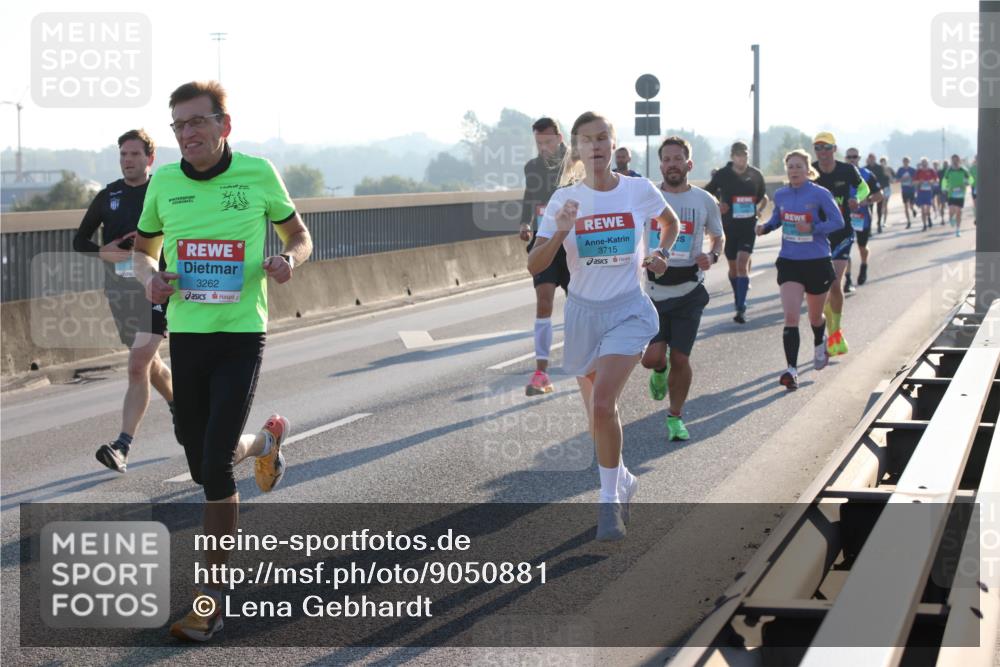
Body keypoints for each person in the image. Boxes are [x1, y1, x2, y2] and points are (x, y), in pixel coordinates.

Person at [133, 81, 313, 642]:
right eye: (178, 125)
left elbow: (299, 234)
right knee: (200, 455)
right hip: (187, 334)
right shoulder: (163, 182)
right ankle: (263, 444)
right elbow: (143, 249)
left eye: (197, 123)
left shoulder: (258, 173)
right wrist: (150, 280)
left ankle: (208, 604)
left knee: (212, 466)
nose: (188, 134)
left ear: (223, 126)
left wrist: (288, 260)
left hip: (240, 334)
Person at [527, 111, 679, 542]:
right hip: (583, 314)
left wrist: (661, 253)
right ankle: (624, 478)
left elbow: (670, 224)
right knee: (597, 413)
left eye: (602, 138)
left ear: (613, 144)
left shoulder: (637, 190)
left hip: (628, 309)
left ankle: (609, 501)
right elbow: (534, 263)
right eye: (586, 140)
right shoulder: (563, 200)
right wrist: (559, 232)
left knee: (602, 404)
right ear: (576, 148)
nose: (594, 146)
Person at [73, 129, 174, 473]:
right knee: (148, 362)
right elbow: (79, 241)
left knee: (136, 365)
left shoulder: (163, 191)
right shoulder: (108, 195)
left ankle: (122, 446)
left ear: (150, 158)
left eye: (134, 154)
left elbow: (180, 232)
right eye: (123, 154)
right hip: (121, 292)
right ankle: (182, 408)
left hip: (156, 289)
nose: (128, 160)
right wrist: (105, 252)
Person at [641, 137, 723, 441]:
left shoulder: (703, 200)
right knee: (651, 358)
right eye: (666, 159)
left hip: (689, 290)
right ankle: (658, 371)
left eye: (677, 159)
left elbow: (718, 237)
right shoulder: (648, 198)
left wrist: (712, 255)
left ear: (688, 164)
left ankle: (675, 417)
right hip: (652, 293)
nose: (672, 164)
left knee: (681, 358)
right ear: (660, 165)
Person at [756, 150, 844, 391]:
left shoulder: (820, 194)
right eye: (790, 166)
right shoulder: (782, 194)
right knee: (791, 317)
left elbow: (838, 222)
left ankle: (819, 340)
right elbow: (777, 219)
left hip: (817, 261)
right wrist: (765, 227)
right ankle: (791, 370)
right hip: (790, 261)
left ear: (808, 170)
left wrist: (813, 227)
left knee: (815, 317)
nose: (794, 170)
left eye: (798, 166)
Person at [520, 117, 568, 396]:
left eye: (548, 141)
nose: (544, 147)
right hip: (544, 242)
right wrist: (525, 223)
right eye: (539, 143)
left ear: (559, 138)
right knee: (544, 301)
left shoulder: (574, 164)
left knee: (580, 306)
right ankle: (541, 373)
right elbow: (530, 196)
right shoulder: (532, 167)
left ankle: (591, 361)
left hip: (574, 244)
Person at [811, 132, 868, 357]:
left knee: (835, 282)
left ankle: (835, 331)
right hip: (818, 237)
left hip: (842, 233)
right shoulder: (811, 172)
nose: (823, 152)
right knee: (824, 287)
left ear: (835, 149)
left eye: (827, 148)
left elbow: (863, 188)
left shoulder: (847, 170)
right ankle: (827, 329)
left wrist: (858, 199)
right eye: (818, 148)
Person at [703, 140, 768, 323]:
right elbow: (708, 194)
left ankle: (741, 307)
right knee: (733, 268)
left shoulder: (756, 174)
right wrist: (719, 204)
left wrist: (758, 209)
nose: (742, 158)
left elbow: (762, 196)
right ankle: (738, 293)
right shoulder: (723, 174)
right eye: (739, 155)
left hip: (748, 226)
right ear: (733, 157)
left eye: (745, 154)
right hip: (728, 227)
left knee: (742, 263)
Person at [845, 149, 883, 285]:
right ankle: (848, 279)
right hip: (845, 216)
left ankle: (864, 266)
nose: (852, 159)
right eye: (849, 157)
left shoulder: (867, 175)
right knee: (845, 248)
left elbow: (880, 195)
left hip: (862, 217)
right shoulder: (840, 174)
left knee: (862, 247)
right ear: (845, 158)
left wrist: (867, 201)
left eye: (854, 157)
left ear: (859, 158)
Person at [941, 154, 973, 237]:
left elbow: (971, 180)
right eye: (953, 160)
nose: (955, 161)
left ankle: (958, 230)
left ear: (959, 160)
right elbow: (944, 180)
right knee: (952, 211)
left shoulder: (963, 170)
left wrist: (967, 183)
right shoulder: (949, 170)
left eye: (956, 160)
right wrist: (944, 188)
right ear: (951, 161)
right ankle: (951, 218)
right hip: (951, 194)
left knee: (959, 212)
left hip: (960, 194)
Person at [914, 158, 939, 231]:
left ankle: (929, 217)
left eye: (925, 163)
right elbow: (914, 182)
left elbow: (937, 179)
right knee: (922, 210)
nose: (924, 164)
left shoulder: (931, 171)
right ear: (921, 164)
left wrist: (932, 182)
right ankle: (924, 225)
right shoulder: (918, 171)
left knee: (927, 210)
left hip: (929, 192)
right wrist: (919, 182)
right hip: (921, 193)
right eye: (923, 163)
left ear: (927, 163)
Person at [866, 153, 889, 233]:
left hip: (878, 191)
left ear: (875, 159)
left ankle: (879, 224)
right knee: (869, 210)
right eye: (870, 158)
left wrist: (882, 187)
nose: (871, 160)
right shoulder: (866, 169)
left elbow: (885, 178)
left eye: (873, 158)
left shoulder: (880, 168)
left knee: (879, 209)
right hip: (868, 193)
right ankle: (869, 228)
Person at [896, 157, 918, 228]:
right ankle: (908, 221)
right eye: (904, 161)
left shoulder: (912, 170)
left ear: (909, 162)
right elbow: (897, 180)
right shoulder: (900, 170)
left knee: (911, 206)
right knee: (905, 207)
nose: (905, 162)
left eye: (907, 161)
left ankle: (913, 210)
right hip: (904, 190)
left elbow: (916, 179)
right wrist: (902, 179)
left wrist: (913, 182)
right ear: (903, 162)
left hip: (911, 190)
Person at [878, 156, 894, 229]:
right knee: (882, 205)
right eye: (881, 161)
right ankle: (880, 221)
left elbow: (892, 181)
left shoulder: (889, 169)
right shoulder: (878, 169)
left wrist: (889, 175)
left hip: (887, 188)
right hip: (880, 189)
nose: (883, 162)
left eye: (884, 161)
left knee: (885, 205)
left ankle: (884, 221)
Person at [932, 160, 947, 224]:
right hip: (932, 188)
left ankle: (942, 217)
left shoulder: (940, 171)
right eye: (934, 164)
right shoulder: (931, 171)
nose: (935, 165)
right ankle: (936, 211)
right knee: (932, 201)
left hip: (940, 188)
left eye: (936, 164)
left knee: (941, 202)